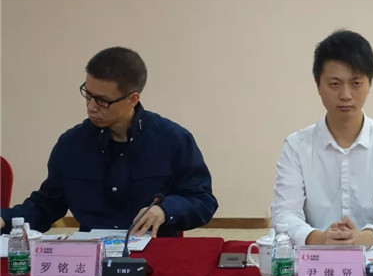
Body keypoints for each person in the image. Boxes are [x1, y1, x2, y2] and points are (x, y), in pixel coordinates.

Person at [1, 46, 218, 237]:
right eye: (88, 95)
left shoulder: (172, 140)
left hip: (155, 251)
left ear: (132, 99)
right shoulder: (71, 144)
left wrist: (166, 209)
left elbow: (202, 201)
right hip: (90, 255)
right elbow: (47, 204)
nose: (91, 107)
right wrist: (5, 219)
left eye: (102, 100)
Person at [270, 29, 373, 249]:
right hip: (315, 258)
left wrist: (362, 239)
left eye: (356, 83)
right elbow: (283, 215)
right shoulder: (296, 147)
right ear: (318, 85)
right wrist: (320, 239)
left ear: (369, 84)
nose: (346, 95)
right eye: (335, 84)